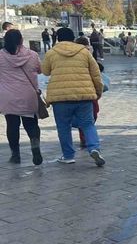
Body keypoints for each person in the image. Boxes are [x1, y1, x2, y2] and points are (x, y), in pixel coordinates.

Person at [41, 27, 105, 166]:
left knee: (63, 127)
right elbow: (96, 74)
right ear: (73, 38)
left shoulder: (51, 53)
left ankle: (68, 155)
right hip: (84, 95)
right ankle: (94, 148)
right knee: (88, 124)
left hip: (60, 97)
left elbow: (45, 71)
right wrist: (97, 92)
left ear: (58, 38)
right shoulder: (84, 52)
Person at [0, 29, 43, 165]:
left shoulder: (0, 56)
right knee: (31, 124)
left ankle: (15, 154)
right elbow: (40, 70)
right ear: (21, 40)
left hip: (8, 96)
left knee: (12, 125)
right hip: (28, 94)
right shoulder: (33, 55)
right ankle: (35, 146)